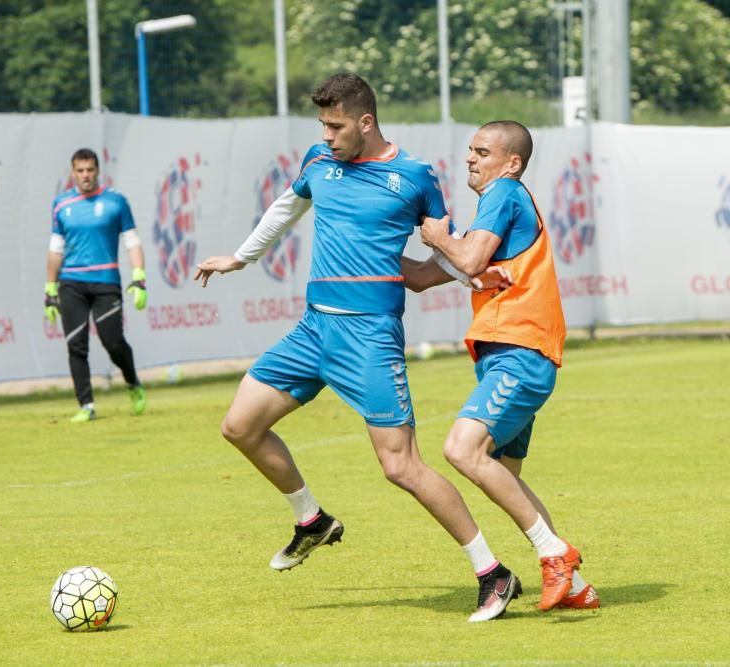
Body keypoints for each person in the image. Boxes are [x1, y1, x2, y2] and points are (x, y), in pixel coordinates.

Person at [195, 73, 533, 622]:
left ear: (366, 122)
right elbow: (286, 206)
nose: (327, 136)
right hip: (313, 330)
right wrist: (239, 258)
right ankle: (312, 520)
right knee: (240, 426)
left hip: (370, 337)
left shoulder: (415, 177)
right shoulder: (317, 162)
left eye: (335, 126)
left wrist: (471, 276)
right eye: (322, 126)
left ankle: (492, 572)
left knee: (402, 467)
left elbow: (444, 251)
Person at [402, 120, 599, 611]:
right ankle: (575, 588)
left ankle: (555, 553)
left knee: (461, 450)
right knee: (502, 472)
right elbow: (426, 278)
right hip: (506, 356)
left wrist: (438, 235)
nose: (471, 158)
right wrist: (366, 246)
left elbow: (465, 260)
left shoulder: (504, 192)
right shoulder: (498, 211)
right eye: (470, 150)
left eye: (482, 151)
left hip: (520, 353)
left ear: (511, 162)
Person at [44, 148, 148, 423]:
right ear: (72, 172)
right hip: (71, 283)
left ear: (97, 171)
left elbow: (132, 241)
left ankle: (133, 382)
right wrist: (50, 288)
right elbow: (56, 249)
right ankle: (86, 405)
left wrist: (139, 277)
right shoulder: (61, 205)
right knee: (76, 345)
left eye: (90, 170)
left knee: (112, 342)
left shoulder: (116, 202)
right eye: (80, 170)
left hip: (106, 282)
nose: (85, 175)